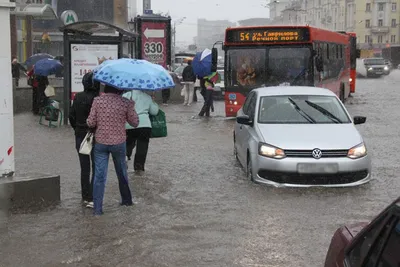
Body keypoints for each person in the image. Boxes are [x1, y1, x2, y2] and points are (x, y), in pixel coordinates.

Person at [87, 85, 139, 215]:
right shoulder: (125, 102)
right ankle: (127, 201)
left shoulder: (97, 101)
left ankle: (97, 209)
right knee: (122, 172)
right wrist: (131, 106)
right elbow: (135, 123)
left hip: (100, 143)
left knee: (99, 176)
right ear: (120, 89)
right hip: (119, 143)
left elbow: (91, 122)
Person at [69, 72, 100, 208]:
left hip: (80, 135)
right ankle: (92, 195)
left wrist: (77, 128)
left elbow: (71, 116)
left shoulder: (78, 97)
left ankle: (85, 196)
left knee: (84, 167)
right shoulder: (98, 98)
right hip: (95, 134)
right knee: (96, 166)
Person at [123, 90, 159, 174]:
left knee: (128, 143)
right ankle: (139, 167)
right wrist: (153, 101)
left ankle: (125, 157)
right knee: (142, 146)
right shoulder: (147, 96)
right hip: (145, 125)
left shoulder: (125, 96)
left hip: (129, 124)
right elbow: (154, 112)